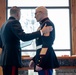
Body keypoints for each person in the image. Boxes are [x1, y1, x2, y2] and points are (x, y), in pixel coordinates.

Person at [0, 6, 53, 75]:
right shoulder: (14, 22)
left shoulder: (3, 25)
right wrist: (41, 32)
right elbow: (24, 37)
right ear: (18, 14)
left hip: (4, 60)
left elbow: (1, 44)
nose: (34, 16)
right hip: (11, 59)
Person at [29, 6, 60, 75]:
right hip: (44, 61)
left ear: (41, 13)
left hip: (45, 62)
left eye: (35, 13)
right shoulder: (43, 25)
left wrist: (40, 63)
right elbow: (40, 46)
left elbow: (46, 45)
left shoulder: (47, 24)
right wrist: (34, 59)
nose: (34, 16)